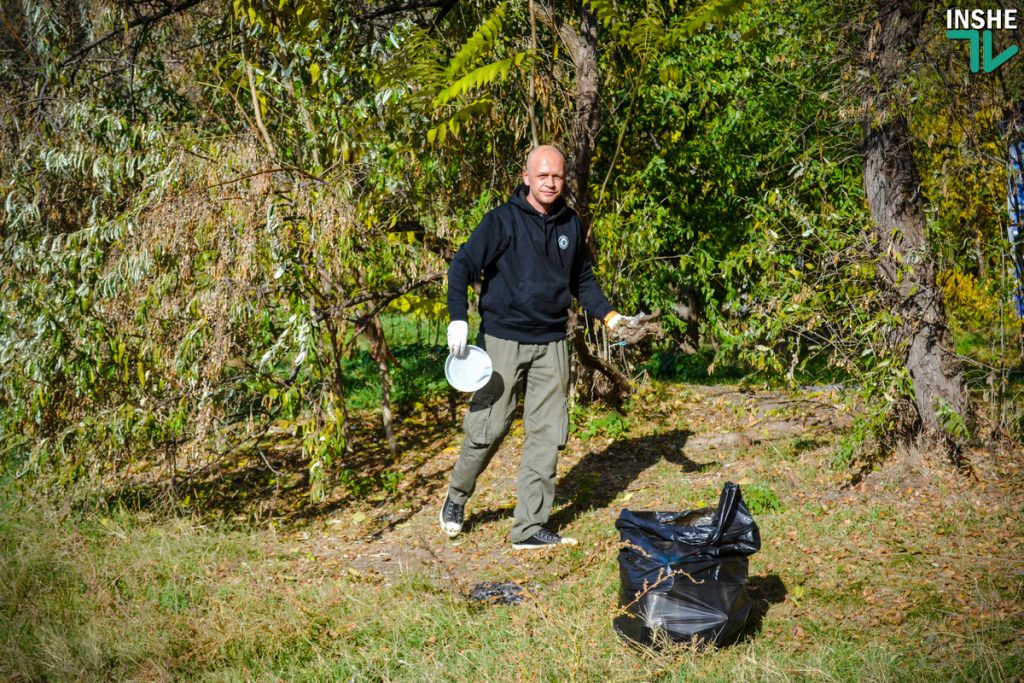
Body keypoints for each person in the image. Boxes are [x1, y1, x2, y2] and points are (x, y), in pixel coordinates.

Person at [440, 145, 635, 549]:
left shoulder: (570, 224)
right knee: (488, 428)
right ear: (526, 177)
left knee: (547, 434)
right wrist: (457, 315)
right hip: (502, 340)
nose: (550, 182)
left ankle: (528, 528)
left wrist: (611, 316)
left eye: (557, 176)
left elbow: (583, 282)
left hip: (551, 344)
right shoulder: (501, 221)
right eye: (542, 175)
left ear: (564, 181)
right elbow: (462, 264)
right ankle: (457, 497)